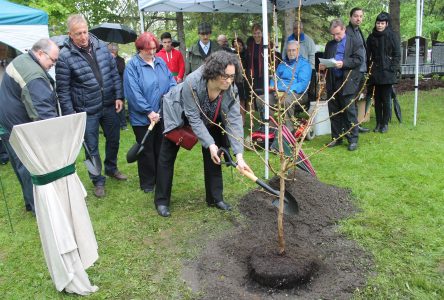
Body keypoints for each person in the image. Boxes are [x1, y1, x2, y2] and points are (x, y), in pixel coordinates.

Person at [154, 51, 252, 217]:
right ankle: (161, 201)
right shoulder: (193, 81)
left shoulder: (230, 88)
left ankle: (215, 198)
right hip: (179, 113)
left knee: (215, 154)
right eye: (225, 76)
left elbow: (234, 120)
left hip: (210, 116)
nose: (229, 80)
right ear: (213, 72)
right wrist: (210, 143)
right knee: (167, 155)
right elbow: (193, 117)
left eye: (232, 76)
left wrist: (239, 156)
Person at [56, 14, 127, 198]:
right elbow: (62, 90)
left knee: (114, 139)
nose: (83, 36)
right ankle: (97, 180)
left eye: (85, 31)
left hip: (109, 104)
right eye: (78, 33)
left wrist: (119, 96)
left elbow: (113, 73)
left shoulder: (101, 46)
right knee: (90, 148)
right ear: (70, 34)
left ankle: (111, 168)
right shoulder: (65, 57)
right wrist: (71, 114)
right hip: (85, 110)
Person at [0, 38, 60, 213]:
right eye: (52, 60)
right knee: (29, 167)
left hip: (8, 123)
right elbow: (43, 115)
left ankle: (30, 202)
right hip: (18, 127)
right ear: (40, 53)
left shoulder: (22, 59)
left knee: (20, 165)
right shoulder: (33, 75)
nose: (53, 65)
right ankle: (38, 207)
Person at [124, 32, 176, 193]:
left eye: (154, 48)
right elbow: (133, 92)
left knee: (160, 148)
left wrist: (165, 105)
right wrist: (148, 111)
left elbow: (172, 83)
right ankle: (147, 183)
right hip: (142, 118)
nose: (152, 52)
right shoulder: (132, 66)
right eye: (148, 49)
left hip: (161, 115)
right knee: (146, 150)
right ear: (140, 49)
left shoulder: (160, 62)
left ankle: (160, 178)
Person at [320, 19, 364, 151]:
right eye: (333, 34)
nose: (335, 37)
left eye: (338, 34)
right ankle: (336, 137)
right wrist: (323, 66)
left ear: (344, 29)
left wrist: (343, 63)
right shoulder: (330, 44)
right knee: (334, 111)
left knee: (349, 111)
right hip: (332, 81)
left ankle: (353, 139)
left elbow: (359, 60)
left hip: (347, 81)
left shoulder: (355, 42)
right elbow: (327, 59)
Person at [257, 40, 311, 130]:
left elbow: (302, 84)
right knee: (261, 99)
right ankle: (271, 127)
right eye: (289, 50)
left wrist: (287, 90)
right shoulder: (282, 64)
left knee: (286, 101)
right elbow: (275, 78)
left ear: (298, 50)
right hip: (278, 93)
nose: (291, 52)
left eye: (293, 50)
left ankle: (289, 131)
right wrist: (272, 87)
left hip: (297, 93)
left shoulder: (304, 64)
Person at [366, 12, 401, 133]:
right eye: (377, 23)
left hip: (387, 72)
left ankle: (385, 124)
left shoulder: (392, 36)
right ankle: (378, 123)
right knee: (377, 99)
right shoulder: (371, 37)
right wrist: (368, 68)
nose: (379, 25)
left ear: (386, 24)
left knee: (386, 99)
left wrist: (392, 67)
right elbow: (367, 54)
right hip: (375, 72)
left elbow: (397, 54)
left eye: (382, 23)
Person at [347, 7, 371, 133]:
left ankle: (356, 125)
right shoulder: (347, 32)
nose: (358, 18)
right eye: (356, 16)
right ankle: (352, 127)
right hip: (353, 72)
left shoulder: (358, 31)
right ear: (350, 17)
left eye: (361, 16)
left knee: (356, 98)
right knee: (351, 99)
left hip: (362, 71)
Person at [108, 43, 128, 130]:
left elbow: (121, 70)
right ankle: (113, 124)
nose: (113, 50)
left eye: (114, 49)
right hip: (109, 86)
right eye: (111, 49)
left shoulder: (120, 60)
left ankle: (123, 124)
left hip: (119, 85)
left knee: (121, 105)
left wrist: (113, 61)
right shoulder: (106, 59)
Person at [232, 37, 249, 122]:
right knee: (240, 99)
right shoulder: (232, 55)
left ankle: (250, 118)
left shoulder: (247, 53)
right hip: (237, 79)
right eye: (235, 46)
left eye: (239, 44)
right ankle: (242, 119)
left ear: (242, 44)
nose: (237, 47)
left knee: (249, 99)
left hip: (247, 79)